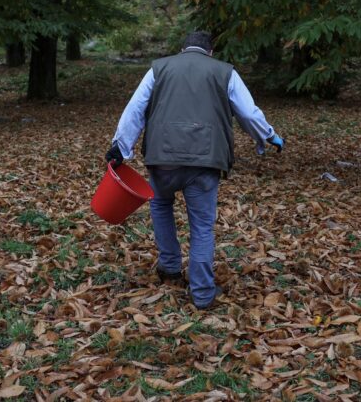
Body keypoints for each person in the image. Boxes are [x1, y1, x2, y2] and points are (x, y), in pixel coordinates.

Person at [105, 31, 283, 309]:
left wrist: (120, 148)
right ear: (210, 52)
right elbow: (248, 113)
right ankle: (201, 294)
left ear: (182, 49)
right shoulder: (225, 72)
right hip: (205, 159)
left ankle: (170, 266)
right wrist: (268, 135)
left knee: (161, 205)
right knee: (201, 226)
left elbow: (135, 108)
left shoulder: (159, 68)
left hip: (163, 157)